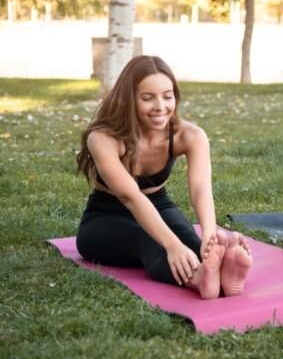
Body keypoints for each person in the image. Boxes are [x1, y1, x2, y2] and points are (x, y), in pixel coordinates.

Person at [76, 55, 251, 298]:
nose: (160, 106)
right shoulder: (103, 138)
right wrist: (172, 245)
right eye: (148, 98)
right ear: (129, 100)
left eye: (167, 96)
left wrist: (210, 237)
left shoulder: (190, 135)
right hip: (105, 217)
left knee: (192, 242)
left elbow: (201, 188)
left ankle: (223, 273)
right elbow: (130, 197)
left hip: (159, 205)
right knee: (151, 242)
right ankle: (200, 279)